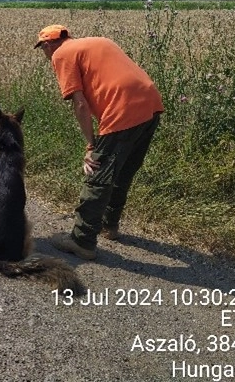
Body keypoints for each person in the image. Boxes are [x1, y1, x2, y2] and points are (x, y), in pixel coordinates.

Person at [34, 25, 163, 260]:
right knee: (122, 171)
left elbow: (80, 104)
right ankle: (109, 226)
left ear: (47, 44)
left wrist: (91, 145)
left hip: (122, 109)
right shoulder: (100, 40)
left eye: (42, 48)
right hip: (151, 103)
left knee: (98, 174)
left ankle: (82, 240)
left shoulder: (61, 54)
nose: (44, 53)